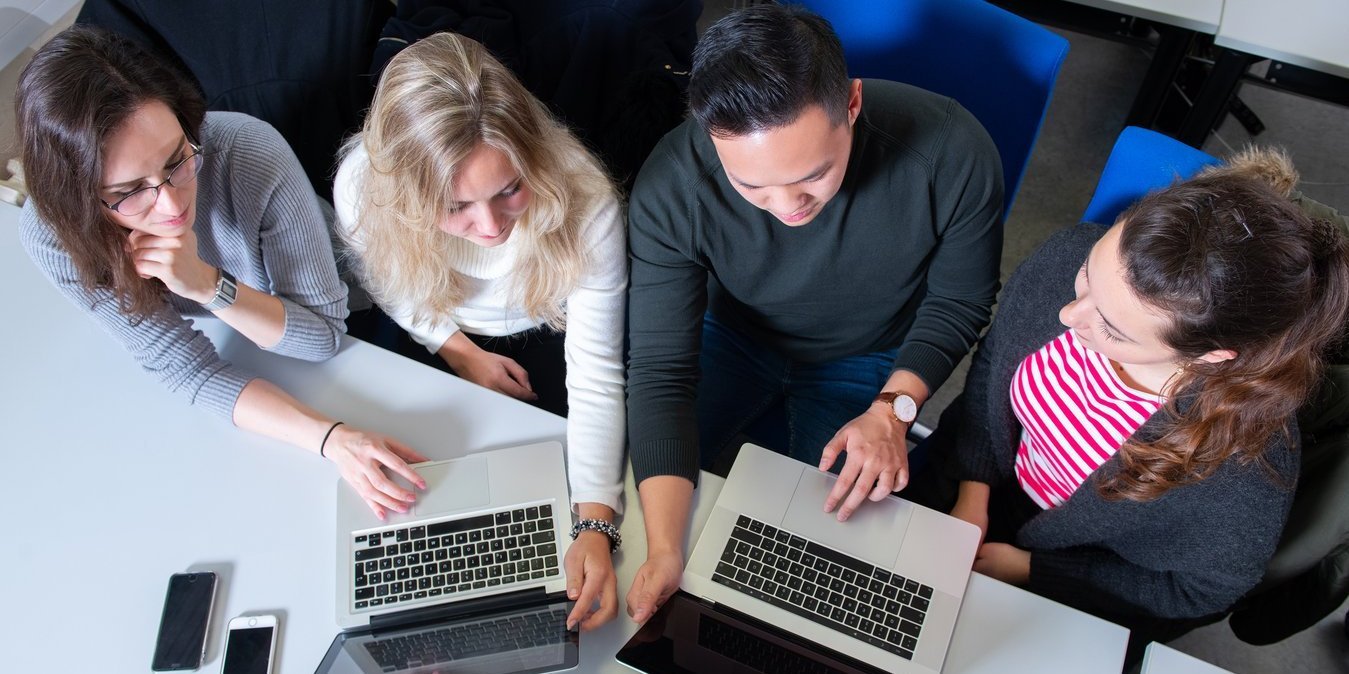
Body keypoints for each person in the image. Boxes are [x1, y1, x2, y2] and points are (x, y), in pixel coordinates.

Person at [624, 4, 1003, 622]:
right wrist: (665, 552)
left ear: (852, 103)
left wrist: (895, 408)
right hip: (735, 334)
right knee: (639, 502)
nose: (785, 207)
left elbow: (960, 300)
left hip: (872, 355)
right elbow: (661, 370)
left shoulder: (952, 151)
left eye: (812, 175)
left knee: (818, 559)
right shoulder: (674, 181)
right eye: (751, 187)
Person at [916, 148, 1349, 646]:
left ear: (1210, 356)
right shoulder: (1067, 256)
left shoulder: (1247, 467)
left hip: (1074, 578)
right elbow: (993, 366)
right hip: (972, 485)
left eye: (1112, 328)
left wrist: (1034, 571)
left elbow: (1197, 592)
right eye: (1089, 277)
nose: (1069, 315)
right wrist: (974, 487)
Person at [16, 25, 427, 520]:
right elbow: (185, 368)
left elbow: (321, 338)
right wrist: (329, 438)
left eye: (177, 159)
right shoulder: (52, 233)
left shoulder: (247, 153)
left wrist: (208, 285)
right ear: (78, 198)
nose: (170, 205)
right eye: (130, 191)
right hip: (251, 345)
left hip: (345, 307)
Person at [333, 32, 627, 632]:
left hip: (549, 321)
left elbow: (596, 374)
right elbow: (393, 284)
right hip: (437, 326)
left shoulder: (586, 201)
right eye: (455, 206)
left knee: (542, 490)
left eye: (510, 189)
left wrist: (596, 523)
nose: (489, 227)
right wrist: (458, 351)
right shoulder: (362, 186)